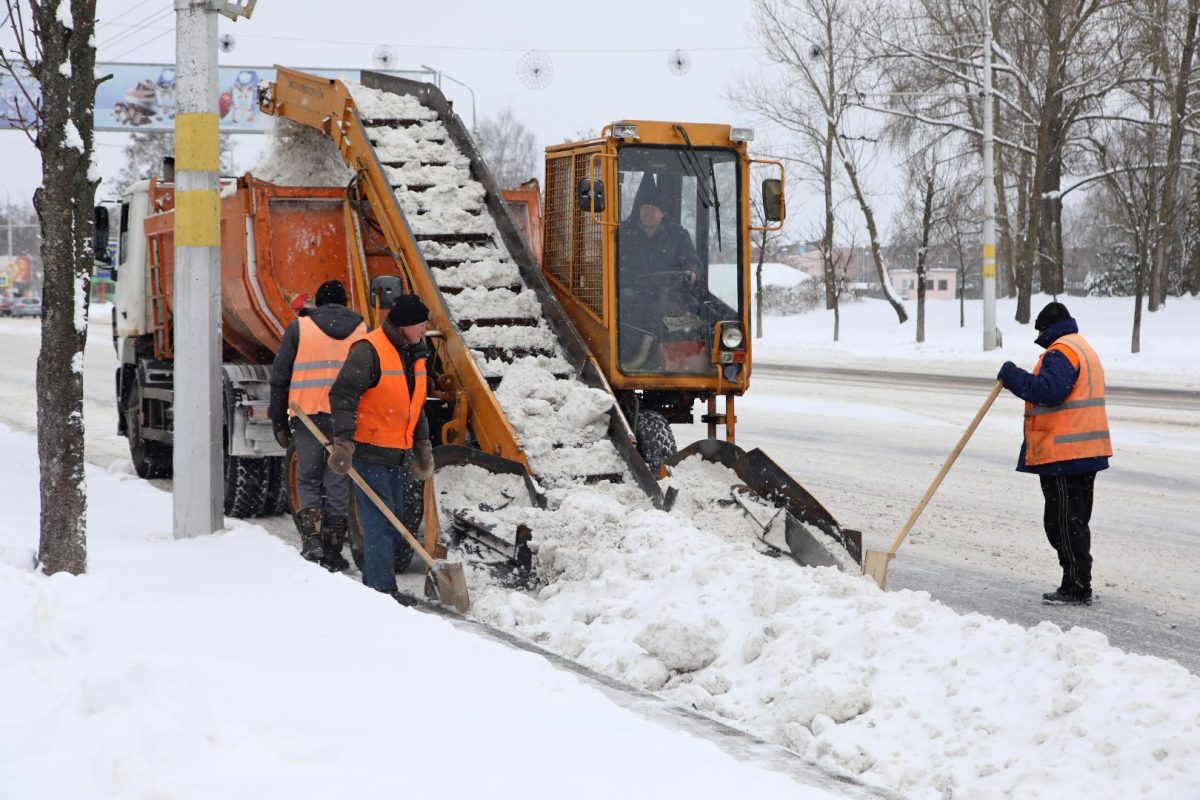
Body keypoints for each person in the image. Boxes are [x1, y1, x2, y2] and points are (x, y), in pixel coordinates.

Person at [997, 301, 1112, 606]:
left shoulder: (1061, 351)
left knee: (1063, 521)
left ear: (1047, 329)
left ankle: (1076, 586)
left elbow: (1048, 392)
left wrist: (1013, 377)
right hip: (1085, 451)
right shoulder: (1082, 347)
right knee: (1073, 520)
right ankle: (1076, 581)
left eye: (1040, 333)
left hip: (1066, 454)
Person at [327, 294, 435, 595]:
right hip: (369, 454)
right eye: (422, 324)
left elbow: (416, 404)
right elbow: (342, 395)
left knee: (396, 522)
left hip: (398, 454)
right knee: (379, 524)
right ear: (405, 325)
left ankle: (378, 586)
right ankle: (381, 592)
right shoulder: (369, 350)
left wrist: (422, 445)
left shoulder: (415, 353)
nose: (426, 329)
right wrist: (344, 443)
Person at [269, 279, 366, 570]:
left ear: (317, 303)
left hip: (307, 415)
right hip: (345, 419)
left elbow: (280, 376)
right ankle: (334, 550)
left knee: (309, 478)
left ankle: (312, 542)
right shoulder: (362, 330)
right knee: (337, 480)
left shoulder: (301, 327)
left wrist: (278, 421)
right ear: (345, 303)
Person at [617, 178, 703, 369]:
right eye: (644, 208)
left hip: (669, 291)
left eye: (653, 209)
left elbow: (691, 259)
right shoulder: (623, 232)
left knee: (694, 306)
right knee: (625, 301)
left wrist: (691, 271)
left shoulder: (678, 235)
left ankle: (685, 360)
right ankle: (627, 358)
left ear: (663, 213)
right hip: (632, 290)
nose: (648, 212)